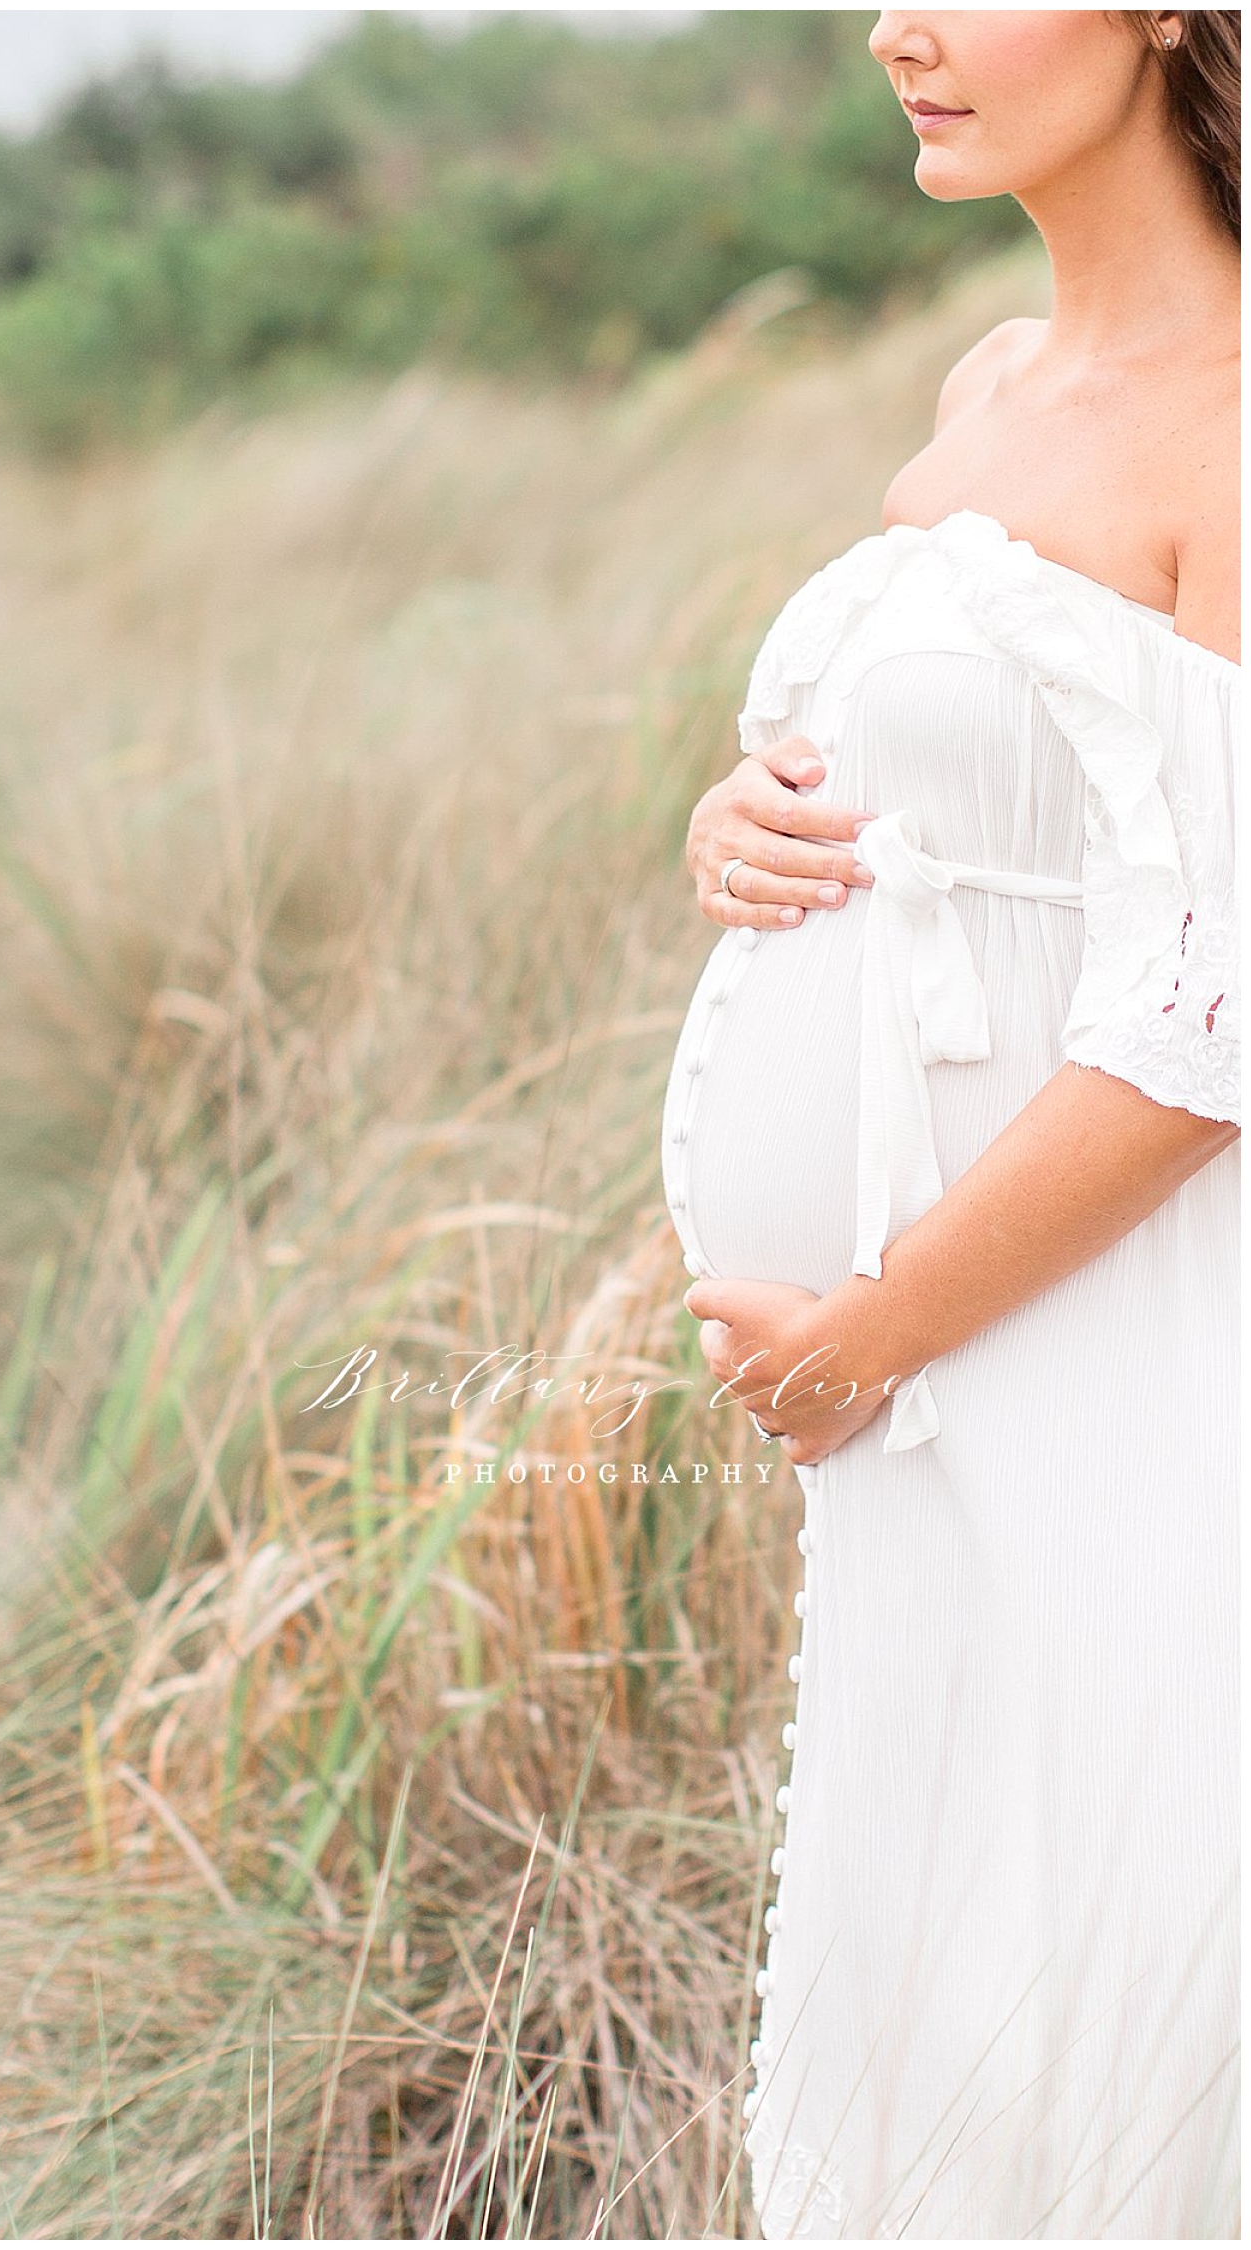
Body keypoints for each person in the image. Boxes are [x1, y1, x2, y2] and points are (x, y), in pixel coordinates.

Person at [659, 10, 1239, 2237]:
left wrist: (876, 1330)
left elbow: (1227, 1001)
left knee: (1110, 1952)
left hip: (1100, 1336)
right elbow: (986, 797)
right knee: (950, 1970)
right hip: (928, 1397)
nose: (895, 26)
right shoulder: (988, 379)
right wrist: (748, 825)